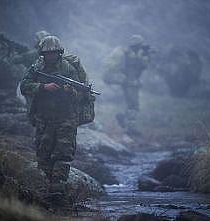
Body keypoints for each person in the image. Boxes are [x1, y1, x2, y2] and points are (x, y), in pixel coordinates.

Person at [20, 36, 94, 195]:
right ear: (42, 53)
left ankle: (58, 188)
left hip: (66, 118)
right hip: (43, 119)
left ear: (59, 53)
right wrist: (43, 87)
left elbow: (81, 95)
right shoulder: (36, 68)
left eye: (53, 53)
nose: (50, 56)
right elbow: (24, 86)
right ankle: (47, 187)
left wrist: (70, 91)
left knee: (63, 153)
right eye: (47, 53)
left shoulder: (68, 69)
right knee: (43, 154)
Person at [103, 35, 152, 136]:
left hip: (131, 82)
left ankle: (126, 121)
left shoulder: (135, 53)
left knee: (132, 105)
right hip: (128, 82)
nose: (141, 47)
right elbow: (112, 68)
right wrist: (123, 78)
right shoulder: (124, 54)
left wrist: (147, 55)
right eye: (139, 45)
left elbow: (144, 66)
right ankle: (130, 127)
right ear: (136, 45)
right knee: (133, 105)